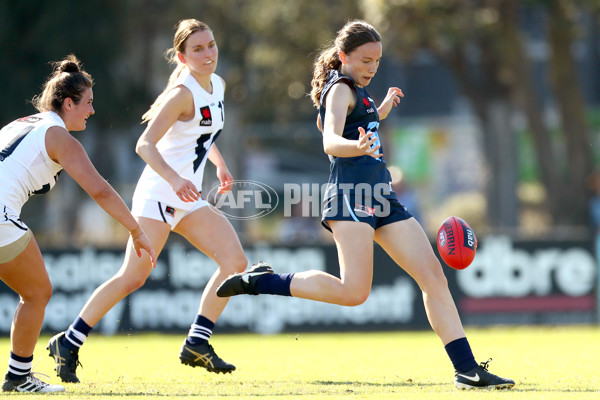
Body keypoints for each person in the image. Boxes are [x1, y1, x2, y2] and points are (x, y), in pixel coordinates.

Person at [217, 20, 515, 390]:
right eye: (364, 60)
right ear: (343, 57)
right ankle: (265, 281)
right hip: (350, 195)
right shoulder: (339, 90)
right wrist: (356, 147)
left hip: (382, 197)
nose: (372, 67)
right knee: (354, 292)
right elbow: (330, 139)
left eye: (377, 60)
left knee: (433, 278)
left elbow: (364, 122)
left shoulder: (360, 90)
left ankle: (467, 369)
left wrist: (383, 109)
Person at [47, 19, 248, 384]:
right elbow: (144, 144)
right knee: (132, 277)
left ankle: (197, 342)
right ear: (183, 58)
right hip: (159, 194)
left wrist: (220, 166)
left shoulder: (216, 84)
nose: (208, 53)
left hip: (186, 197)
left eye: (211, 45)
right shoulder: (181, 93)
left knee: (235, 262)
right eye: (198, 49)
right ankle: (69, 341)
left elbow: (205, 132)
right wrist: (174, 178)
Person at [0, 55, 156, 393]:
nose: (92, 110)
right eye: (87, 103)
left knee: (34, 291)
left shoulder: (22, 123)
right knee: (37, 292)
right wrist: (136, 229)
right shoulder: (59, 138)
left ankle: (17, 377)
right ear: (68, 103)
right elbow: (100, 190)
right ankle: (18, 377)